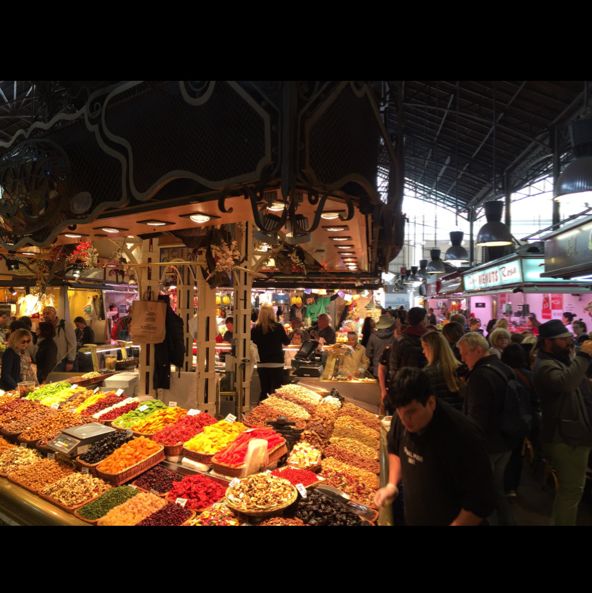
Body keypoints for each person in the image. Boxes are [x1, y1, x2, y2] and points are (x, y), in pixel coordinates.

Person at [373, 367, 496, 525]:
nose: (405, 420)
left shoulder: (464, 436)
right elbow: (394, 448)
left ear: (431, 402)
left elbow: (481, 503)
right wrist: (392, 484)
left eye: (412, 412)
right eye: (400, 412)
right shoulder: (402, 417)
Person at [532, 319, 592, 525]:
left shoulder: (557, 361)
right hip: (565, 437)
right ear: (548, 343)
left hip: (569, 434)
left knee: (569, 491)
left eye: (569, 339)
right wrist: (583, 356)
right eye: (563, 340)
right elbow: (565, 383)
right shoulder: (545, 366)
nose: (569, 343)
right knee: (571, 491)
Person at [457, 331, 516, 525]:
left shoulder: (480, 376)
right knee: (496, 488)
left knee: (483, 493)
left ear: (479, 350)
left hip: (488, 444)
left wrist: (469, 445)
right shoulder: (503, 367)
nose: (462, 358)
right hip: (506, 439)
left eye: (465, 353)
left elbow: (477, 417)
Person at [501, 343, 540, 498]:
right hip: (525, 420)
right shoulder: (529, 374)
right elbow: (535, 399)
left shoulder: (504, 374)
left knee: (506, 455)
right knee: (517, 455)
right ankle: (512, 487)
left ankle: (503, 486)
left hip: (507, 421)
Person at [379, 307, 429, 415]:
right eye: (426, 318)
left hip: (403, 386)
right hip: (423, 387)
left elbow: (393, 368)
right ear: (422, 320)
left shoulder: (400, 340)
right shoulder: (429, 338)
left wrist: (396, 388)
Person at [251, 304, 290, 401]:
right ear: (272, 313)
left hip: (262, 364)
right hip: (276, 363)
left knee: (264, 390)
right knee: (276, 392)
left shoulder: (255, 329)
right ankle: (275, 412)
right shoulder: (278, 327)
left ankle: (260, 412)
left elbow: (251, 343)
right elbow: (286, 342)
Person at [420, 330, 463, 410]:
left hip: (440, 417)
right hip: (459, 417)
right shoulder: (459, 368)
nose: (423, 352)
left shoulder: (427, 374)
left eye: (424, 348)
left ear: (430, 348)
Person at [42, 306, 77, 372]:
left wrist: (70, 361)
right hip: (50, 362)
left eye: (48, 313)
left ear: (54, 313)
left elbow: (72, 343)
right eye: (44, 314)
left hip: (63, 361)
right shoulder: (45, 327)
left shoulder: (65, 325)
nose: (45, 316)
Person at [366, 314, 395, 378]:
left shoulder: (373, 336)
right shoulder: (394, 336)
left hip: (377, 368)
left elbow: (368, 354)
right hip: (391, 368)